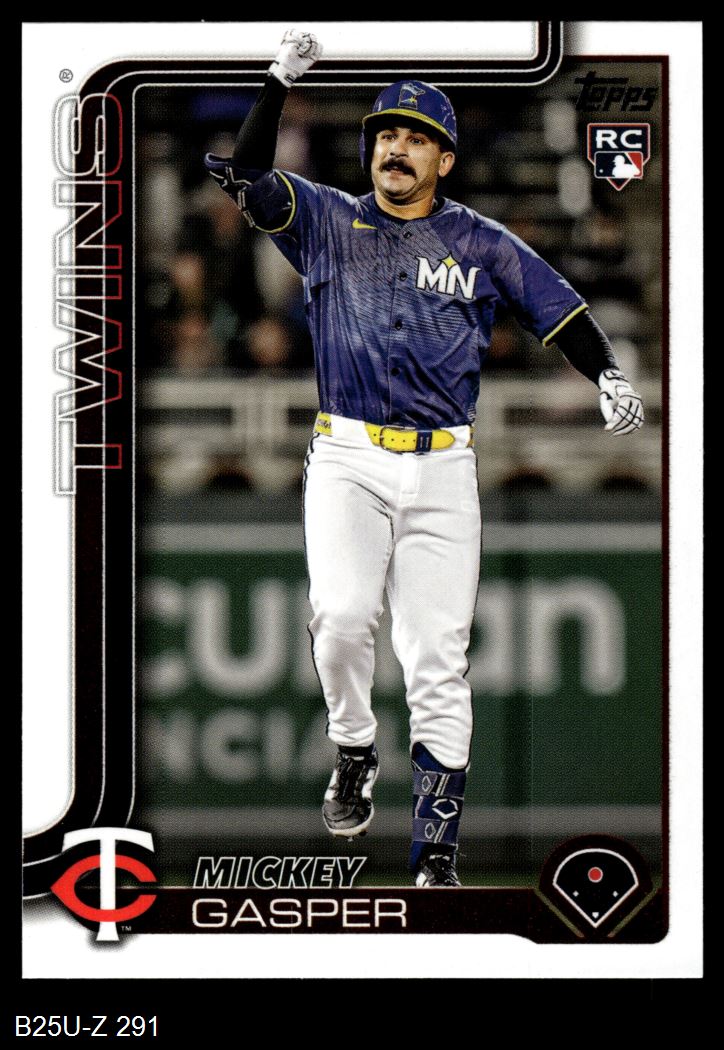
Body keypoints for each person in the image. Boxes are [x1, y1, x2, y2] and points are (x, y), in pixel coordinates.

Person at [205, 30, 644, 887]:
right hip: (348, 455)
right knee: (340, 620)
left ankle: (435, 853)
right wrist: (275, 83)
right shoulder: (327, 218)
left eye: (415, 138)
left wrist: (607, 373)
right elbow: (249, 177)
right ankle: (354, 748)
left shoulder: (481, 241)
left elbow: (559, 308)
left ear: (444, 159)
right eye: (385, 134)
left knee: (438, 662)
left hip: (445, 466)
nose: (395, 148)